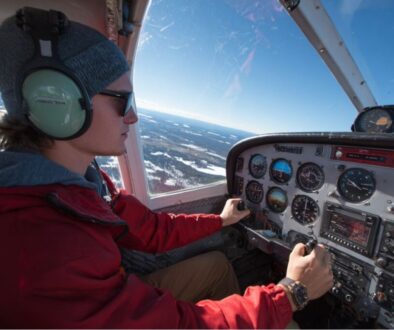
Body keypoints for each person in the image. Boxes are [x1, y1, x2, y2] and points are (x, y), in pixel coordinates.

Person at [0, 7, 333, 328]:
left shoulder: (83, 184)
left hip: (117, 299)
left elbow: (150, 230)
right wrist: (292, 293)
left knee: (216, 266)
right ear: (57, 103)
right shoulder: (41, 246)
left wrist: (220, 219)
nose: (133, 117)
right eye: (123, 101)